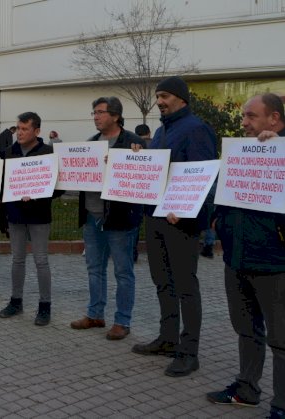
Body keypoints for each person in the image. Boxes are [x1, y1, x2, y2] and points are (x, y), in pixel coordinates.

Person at [131, 76, 217, 377]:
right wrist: (139, 160)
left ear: (181, 98)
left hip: (181, 223)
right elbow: (159, 171)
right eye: (158, 96)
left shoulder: (196, 129)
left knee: (185, 287)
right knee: (162, 281)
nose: (159, 102)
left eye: (165, 96)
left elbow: (203, 178)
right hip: (155, 217)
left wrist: (186, 213)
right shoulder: (160, 131)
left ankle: (189, 351)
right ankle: (167, 338)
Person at [206, 93, 285, 419]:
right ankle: (246, 389)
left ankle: (281, 405)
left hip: (273, 263)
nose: (245, 123)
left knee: (281, 339)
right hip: (236, 259)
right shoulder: (242, 153)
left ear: (275, 119)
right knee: (246, 329)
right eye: (244, 117)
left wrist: (279, 146)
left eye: (252, 116)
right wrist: (218, 221)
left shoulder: (279, 151)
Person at [69, 97, 145, 340]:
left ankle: (122, 321)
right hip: (92, 216)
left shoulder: (133, 143)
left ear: (115, 116)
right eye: (94, 112)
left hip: (120, 219)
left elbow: (145, 176)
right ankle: (95, 314)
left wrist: (135, 158)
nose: (96, 116)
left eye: (100, 112)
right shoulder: (91, 143)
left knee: (123, 271)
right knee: (94, 268)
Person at [0, 112, 60, 326]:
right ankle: (16, 301)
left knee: (41, 260)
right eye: (18, 129)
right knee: (17, 259)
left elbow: (59, 187)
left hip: (39, 216)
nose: (19, 133)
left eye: (24, 129)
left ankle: (44, 306)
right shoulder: (8, 153)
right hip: (15, 214)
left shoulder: (48, 153)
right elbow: (0, 183)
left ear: (36, 131)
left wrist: (38, 193)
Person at [133, 124, 152, 263]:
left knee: (136, 225)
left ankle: (133, 253)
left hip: (138, 191)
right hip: (154, 190)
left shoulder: (134, 147)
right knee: (152, 223)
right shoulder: (157, 144)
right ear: (149, 132)